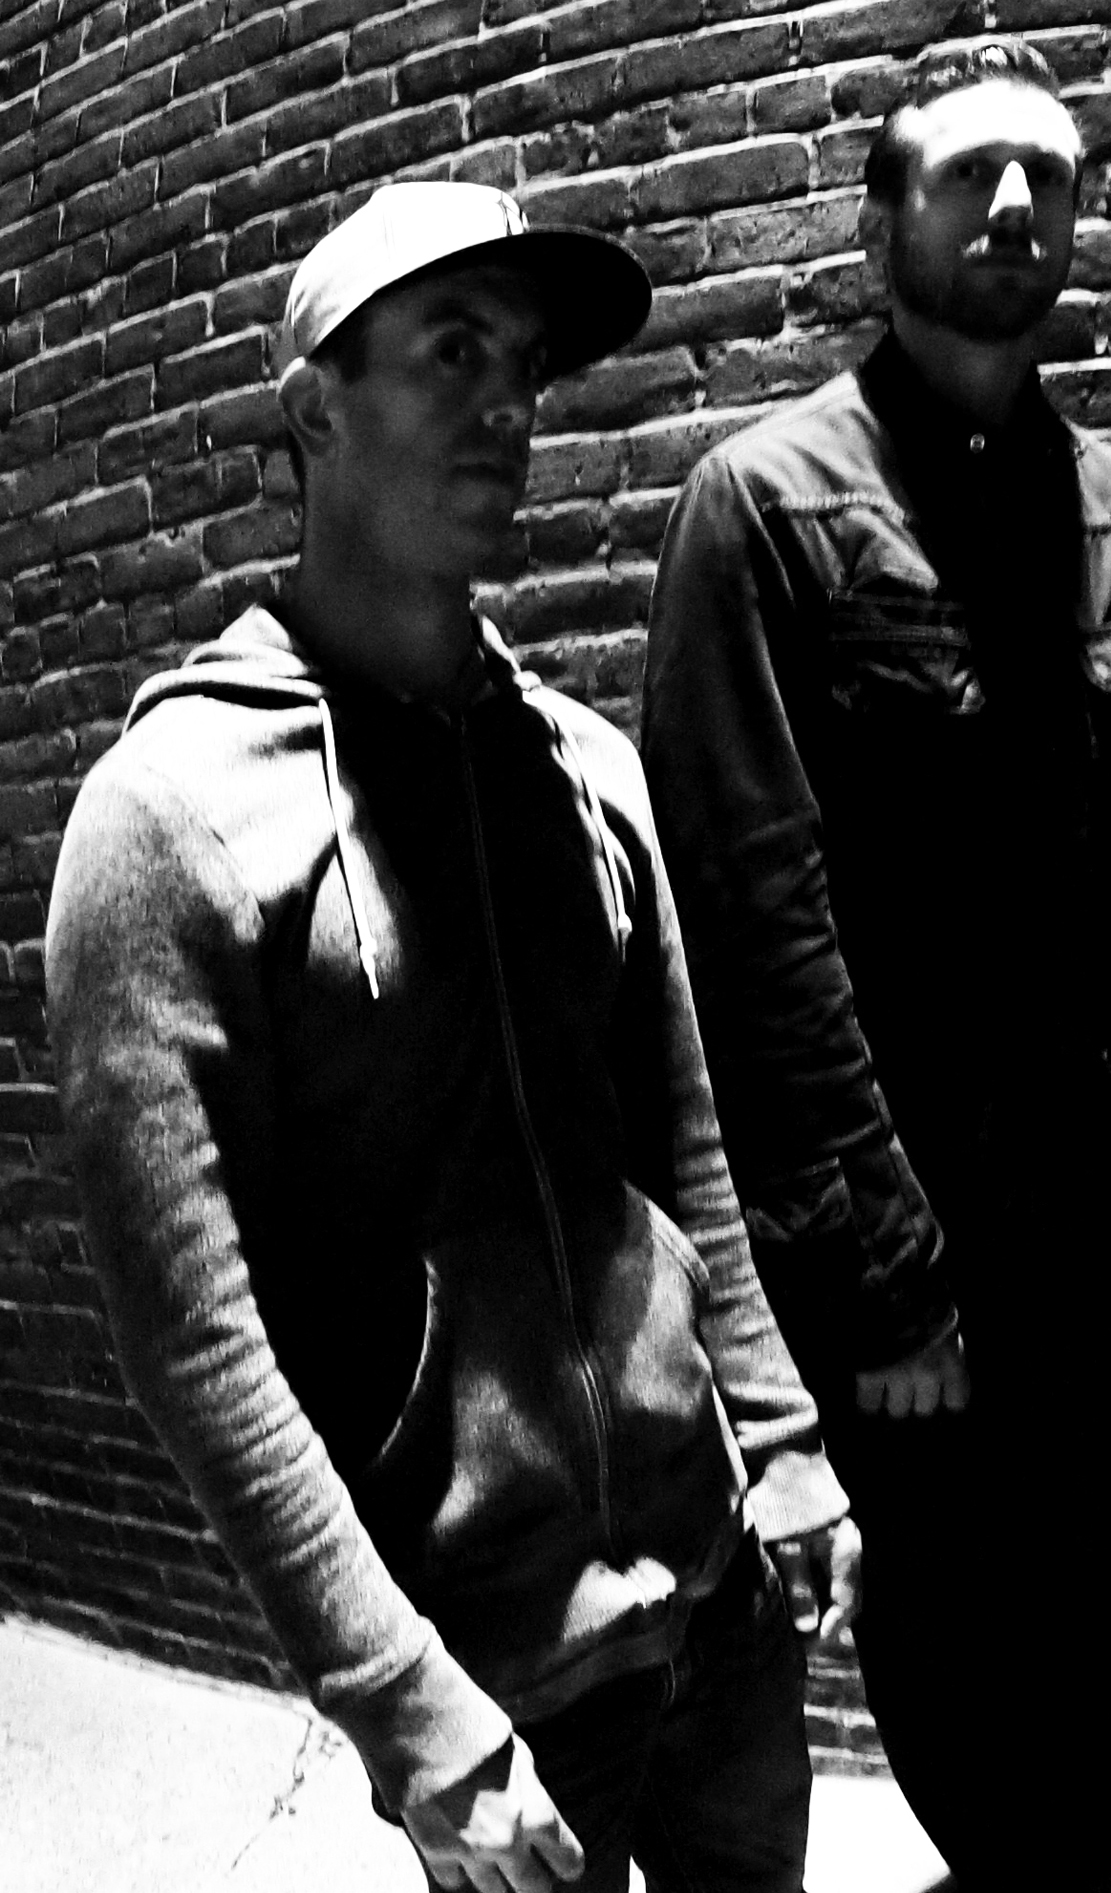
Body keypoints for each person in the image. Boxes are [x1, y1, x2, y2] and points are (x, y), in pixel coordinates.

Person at [46, 181, 857, 1893]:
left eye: (528, 367)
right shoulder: (172, 816)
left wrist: (782, 1448)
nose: (510, 405)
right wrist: (405, 1708)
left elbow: (688, 1147)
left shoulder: (585, 771)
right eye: (453, 350)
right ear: (314, 407)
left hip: (718, 1603)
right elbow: (195, 1339)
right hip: (491, 1676)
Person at [638, 34, 1111, 1886]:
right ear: (882, 227)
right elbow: (754, 926)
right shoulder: (765, 506)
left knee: (1105, 1663)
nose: (1014, 204)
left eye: (1049, 176)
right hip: (906, 1243)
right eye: (966, 173)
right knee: (959, 1684)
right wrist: (883, 1285)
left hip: (1092, 1241)